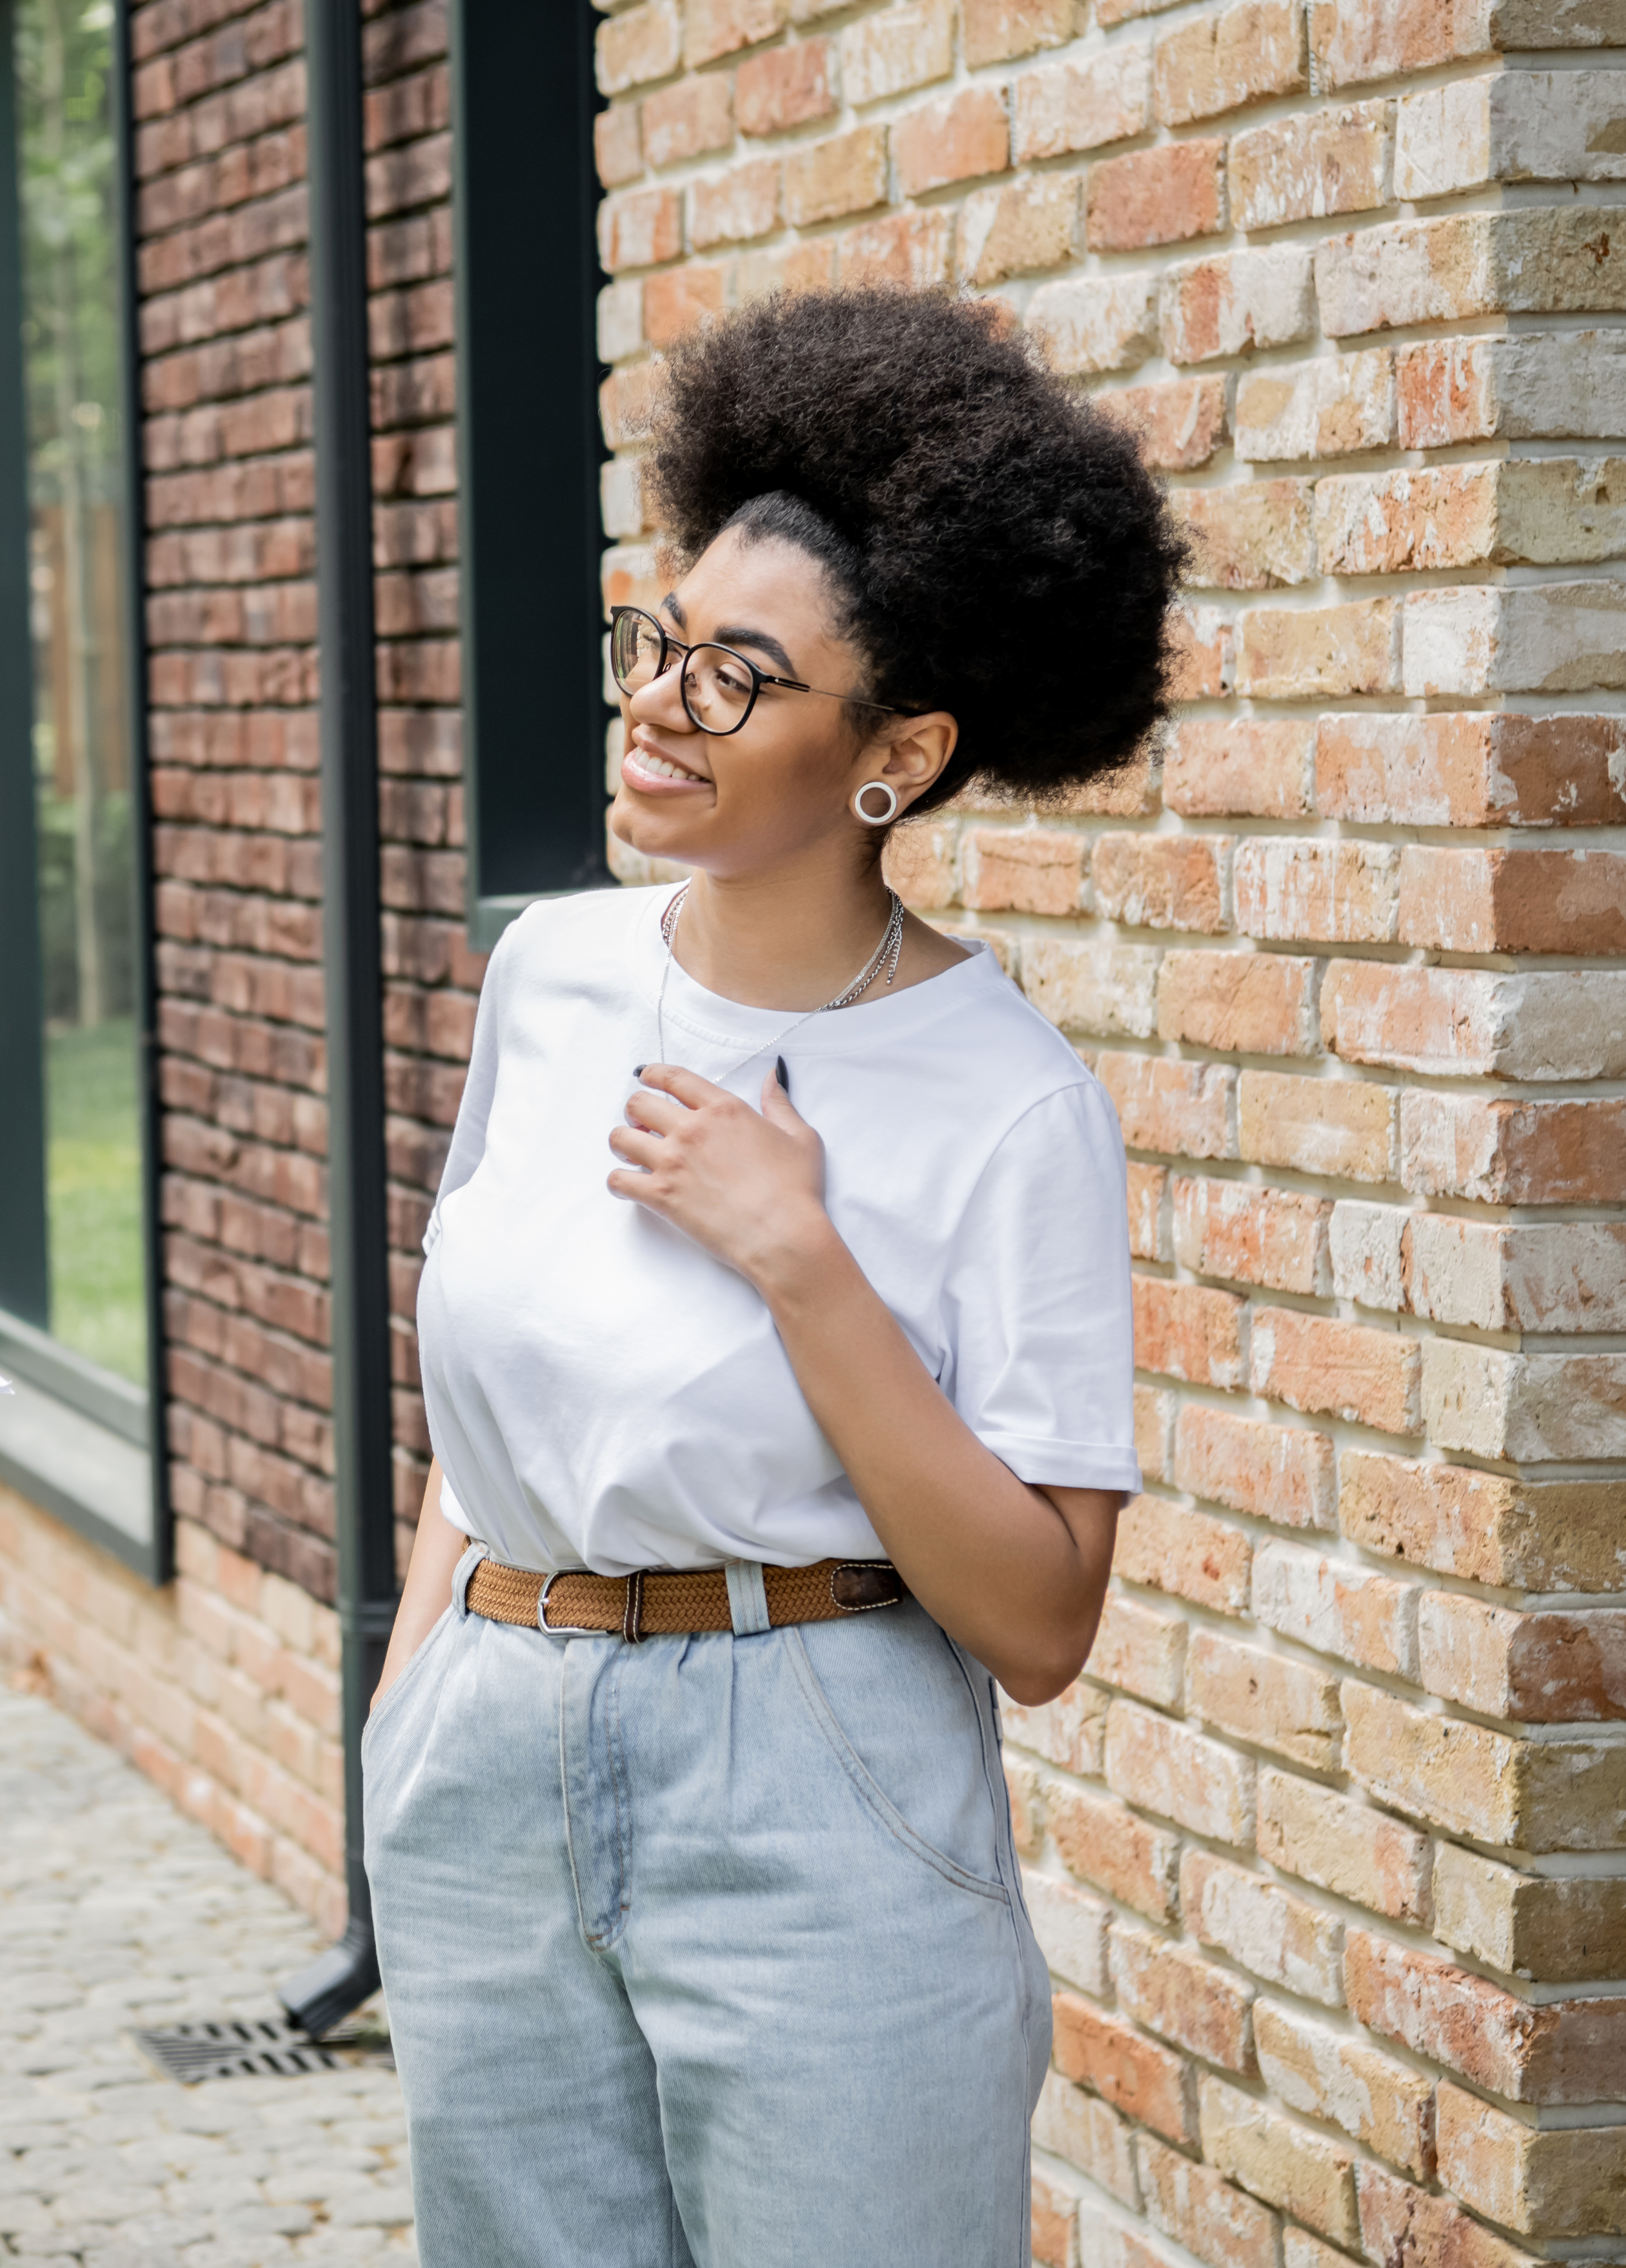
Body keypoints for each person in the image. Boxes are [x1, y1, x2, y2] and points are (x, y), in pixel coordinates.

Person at [361, 286, 1182, 2266]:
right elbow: (490, 1391)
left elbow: (1041, 1618)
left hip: (814, 1776)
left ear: (898, 752)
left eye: (739, 678)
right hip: (491, 1757)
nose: (657, 703)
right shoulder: (552, 975)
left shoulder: (1010, 1100)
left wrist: (803, 1260)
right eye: (658, 641)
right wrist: (416, 1707)